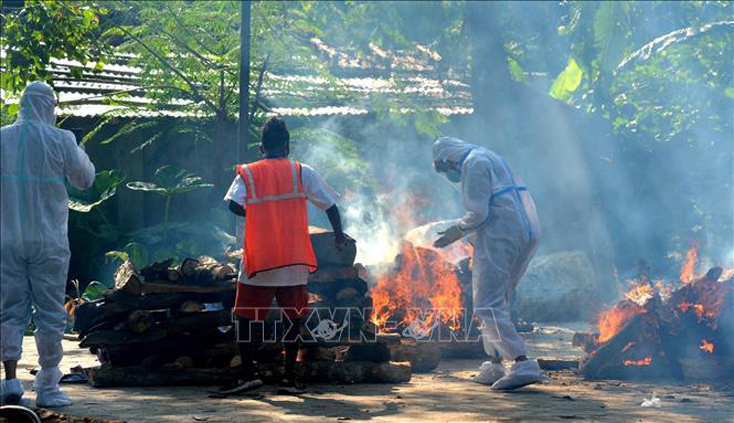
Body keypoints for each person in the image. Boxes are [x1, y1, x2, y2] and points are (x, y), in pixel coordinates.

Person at [224, 116, 346, 393]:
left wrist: (256, 216)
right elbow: (331, 206)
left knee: (245, 316)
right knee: (293, 317)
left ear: (261, 146)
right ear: (287, 145)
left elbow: (232, 205)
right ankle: (289, 377)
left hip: (260, 259)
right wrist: (338, 236)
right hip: (293, 259)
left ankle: (247, 373)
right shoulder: (301, 171)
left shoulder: (249, 173)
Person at [1, 82, 96, 406]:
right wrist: (80, 150)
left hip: (8, 238)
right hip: (48, 241)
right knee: (50, 313)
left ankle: (10, 382)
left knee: (9, 311)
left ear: (23, 105)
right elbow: (85, 179)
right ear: (48, 107)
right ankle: (47, 388)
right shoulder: (61, 139)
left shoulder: (2, 138)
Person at [432, 136, 544, 390]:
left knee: (486, 304)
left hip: (500, 234)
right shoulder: (489, 156)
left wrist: (456, 231)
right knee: (499, 299)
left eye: (445, 168)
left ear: (448, 159)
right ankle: (494, 363)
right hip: (526, 229)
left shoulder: (473, 163)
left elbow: (479, 213)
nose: (449, 175)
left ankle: (522, 363)